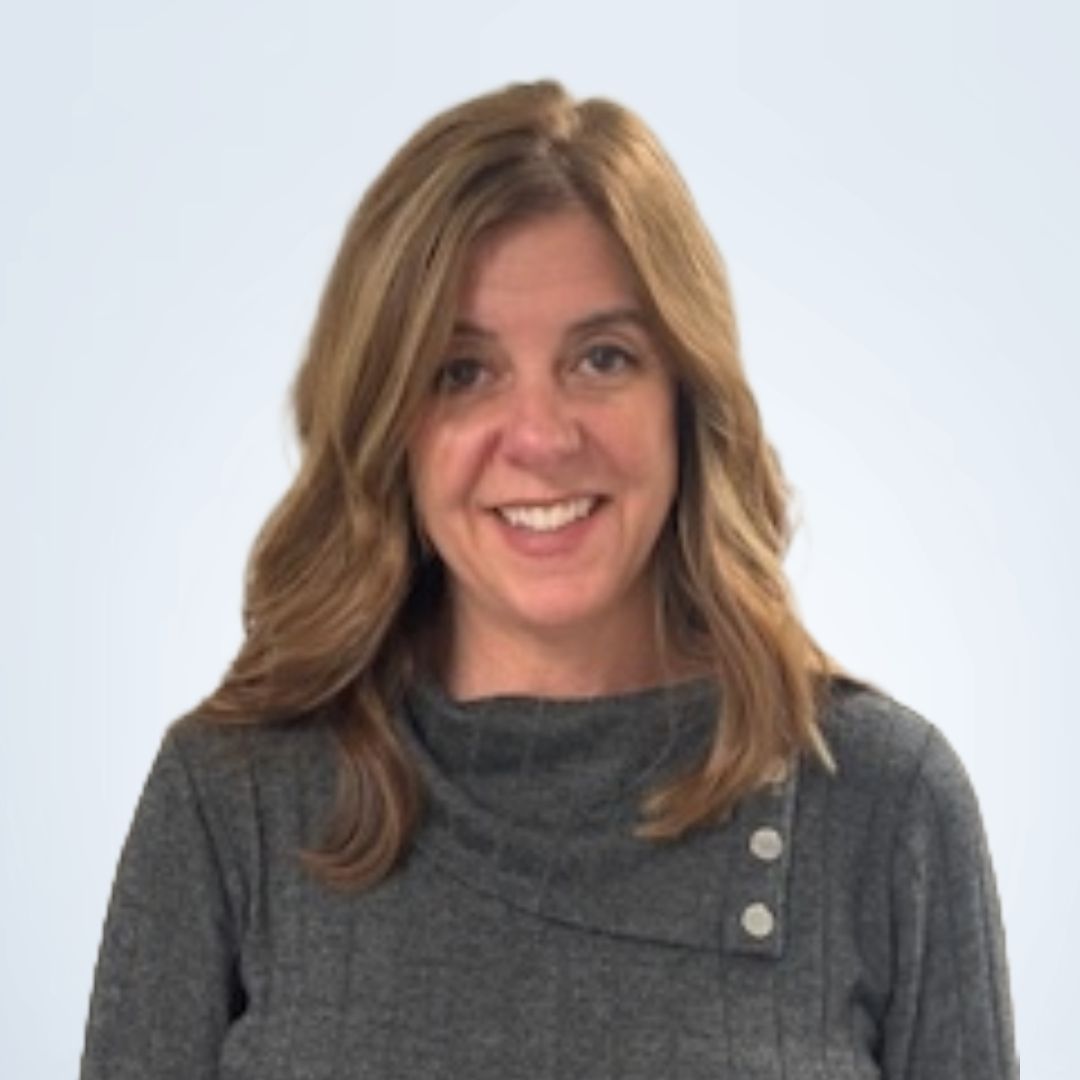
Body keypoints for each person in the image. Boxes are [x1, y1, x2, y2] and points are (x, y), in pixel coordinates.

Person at [80, 79, 1017, 1079]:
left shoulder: (884, 800)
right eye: (461, 372)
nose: (539, 437)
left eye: (602, 358)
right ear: (386, 424)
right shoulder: (233, 800)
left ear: (684, 399)